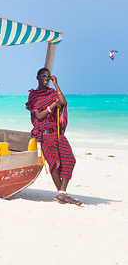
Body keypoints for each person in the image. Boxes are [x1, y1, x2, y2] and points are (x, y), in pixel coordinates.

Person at [25, 68, 82, 205]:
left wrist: (56, 85)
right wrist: (52, 106)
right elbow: (38, 116)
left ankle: (61, 192)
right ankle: (62, 194)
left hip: (57, 133)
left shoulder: (52, 92)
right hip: (44, 134)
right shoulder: (33, 95)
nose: (46, 78)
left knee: (70, 159)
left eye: (48, 76)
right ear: (37, 77)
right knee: (54, 163)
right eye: (43, 75)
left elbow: (62, 102)